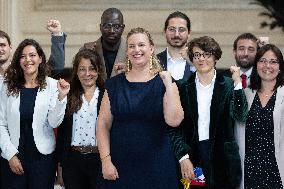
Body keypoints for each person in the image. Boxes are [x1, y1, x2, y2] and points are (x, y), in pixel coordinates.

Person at [96, 27, 184, 188]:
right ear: (127, 50)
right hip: (119, 166)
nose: (136, 50)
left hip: (158, 166)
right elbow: (103, 123)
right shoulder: (114, 84)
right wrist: (106, 160)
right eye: (131, 46)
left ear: (151, 49)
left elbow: (174, 121)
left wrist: (169, 85)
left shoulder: (166, 82)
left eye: (141, 45)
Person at [168, 36, 247, 189]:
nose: (201, 59)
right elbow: (174, 128)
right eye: (197, 54)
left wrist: (238, 83)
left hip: (223, 162)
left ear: (216, 57)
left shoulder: (229, 85)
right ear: (192, 58)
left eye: (207, 54)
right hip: (193, 159)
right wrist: (183, 157)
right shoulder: (182, 87)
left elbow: (241, 115)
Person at [0, 39, 70, 189]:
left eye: (32, 55)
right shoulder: (7, 85)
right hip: (13, 156)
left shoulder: (52, 85)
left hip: (43, 160)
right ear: (18, 60)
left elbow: (54, 123)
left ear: (40, 59)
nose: (27, 60)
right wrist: (10, 155)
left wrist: (61, 98)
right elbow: (1, 123)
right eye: (23, 56)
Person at [235, 44, 284, 189]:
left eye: (273, 61)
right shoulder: (245, 94)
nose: (267, 65)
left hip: (277, 169)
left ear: (280, 67)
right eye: (262, 60)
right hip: (249, 170)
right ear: (256, 65)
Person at [56, 49, 105, 189]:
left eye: (92, 69)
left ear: (99, 70)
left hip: (100, 159)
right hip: (73, 161)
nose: (87, 74)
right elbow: (62, 133)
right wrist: (60, 166)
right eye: (82, 69)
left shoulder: (107, 94)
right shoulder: (68, 95)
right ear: (76, 71)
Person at [0, 19, 66, 87]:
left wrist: (57, 34)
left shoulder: (24, 69)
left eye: (2, 45)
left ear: (10, 47)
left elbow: (56, 65)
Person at [83, 8, 126, 80]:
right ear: (100, 27)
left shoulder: (134, 52)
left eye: (116, 26)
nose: (111, 31)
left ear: (123, 28)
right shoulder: (87, 50)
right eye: (107, 26)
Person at [157, 11, 195, 81]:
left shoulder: (198, 62)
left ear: (189, 33)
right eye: (172, 29)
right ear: (164, 32)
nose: (176, 34)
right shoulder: (154, 61)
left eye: (181, 30)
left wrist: (194, 65)